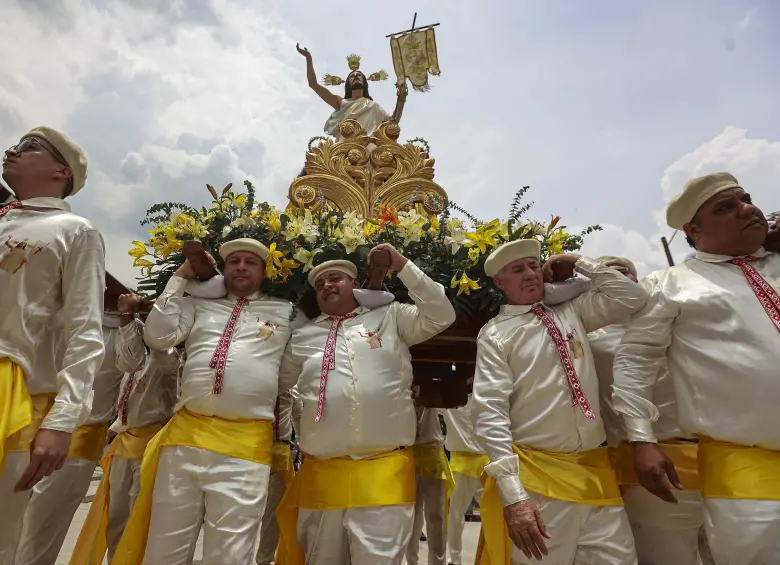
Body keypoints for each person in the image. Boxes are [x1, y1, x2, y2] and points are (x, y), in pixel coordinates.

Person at [612, 172, 780, 565]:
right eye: (726, 208)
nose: (748, 210)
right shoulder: (671, 283)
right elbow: (634, 360)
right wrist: (641, 438)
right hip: (747, 467)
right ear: (694, 230)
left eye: (746, 199)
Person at [113, 238, 299, 565]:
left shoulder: (284, 312)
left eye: (251, 262)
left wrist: (251, 390)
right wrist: (181, 276)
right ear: (222, 268)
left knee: (230, 556)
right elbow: (158, 336)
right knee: (164, 550)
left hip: (244, 448)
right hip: (185, 440)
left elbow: (288, 374)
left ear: (265, 271)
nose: (241, 266)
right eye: (234, 261)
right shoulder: (196, 305)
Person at [276, 243, 457, 565]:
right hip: (323, 474)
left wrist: (402, 265)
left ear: (355, 285)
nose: (327, 285)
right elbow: (277, 384)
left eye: (335, 278)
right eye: (319, 284)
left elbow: (441, 313)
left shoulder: (391, 317)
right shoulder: (302, 335)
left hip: (383, 472)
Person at [472, 239, 648, 564]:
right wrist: (514, 497)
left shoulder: (573, 312)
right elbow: (489, 413)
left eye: (533, 265)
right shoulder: (496, 334)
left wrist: (577, 262)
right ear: (500, 282)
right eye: (517, 269)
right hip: (537, 481)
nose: (529, 274)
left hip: (595, 474)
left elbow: (633, 297)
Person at [0, 127, 104, 565]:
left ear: (62, 171)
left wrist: (62, 421)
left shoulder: (74, 231)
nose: (11, 150)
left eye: (27, 148)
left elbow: (86, 331)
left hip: (14, 393)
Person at [586, 256, 710, 565]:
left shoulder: (673, 319)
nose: (618, 275)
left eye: (625, 270)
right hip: (653, 462)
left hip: (720, 457)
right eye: (607, 273)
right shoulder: (588, 338)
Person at [70, 293, 180, 564]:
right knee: (116, 516)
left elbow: (164, 365)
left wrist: (144, 326)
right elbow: (128, 372)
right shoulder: (131, 351)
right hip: (124, 442)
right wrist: (116, 426)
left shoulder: (167, 354)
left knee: (140, 515)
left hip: (152, 443)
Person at [14, 312, 124, 565]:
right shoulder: (48, 313)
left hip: (80, 436)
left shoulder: (126, 330)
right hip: (25, 426)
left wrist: (128, 318)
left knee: (42, 532)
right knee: (12, 526)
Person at [296, 44, 407, 142]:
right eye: (352, 77)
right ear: (348, 83)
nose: (355, 77)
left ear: (364, 82)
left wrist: (401, 97)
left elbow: (393, 122)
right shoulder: (341, 103)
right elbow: (313, 84)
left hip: (370, 150)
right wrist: (308, 58)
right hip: (345, 150)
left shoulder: (374, 106)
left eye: (359, 76)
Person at [255, 387, 301, 565]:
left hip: (279, 453)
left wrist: (303, 444)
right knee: (245, 509)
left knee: (273, 512)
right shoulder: (257, 378)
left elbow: (298, 416)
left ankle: (264, 560)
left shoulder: (292, 388)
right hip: (250, 448)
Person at [444, 391, 490, 565]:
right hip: (461, 463)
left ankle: (490, 555)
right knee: (455, 514)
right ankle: (455, 559)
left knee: (493, 512)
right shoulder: (447, 398)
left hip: (485, 461)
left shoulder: (485, 394)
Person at [405, 406, 452, 565]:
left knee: (437, 516)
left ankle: (438, 563)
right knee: (411, 517)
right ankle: (411, 562)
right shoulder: (400, 384)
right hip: (408, 451)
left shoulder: (434, 384)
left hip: (432, 448)